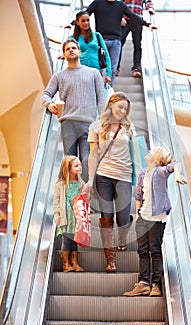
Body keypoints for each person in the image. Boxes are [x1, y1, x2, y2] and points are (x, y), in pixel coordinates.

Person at [123, 147, 187, 297]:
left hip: (157, 218)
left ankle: (156, 285)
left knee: (155, 250)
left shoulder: (160, 172)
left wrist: (177, 176)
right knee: (142, 250)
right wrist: (138, 214)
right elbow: (138, 196)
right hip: (143, 217)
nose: (150, 151)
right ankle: (144, 283)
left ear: (158, 160)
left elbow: (175, 165)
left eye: (154, 151)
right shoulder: (142, 174)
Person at [41, 38, 106, 182]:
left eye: (73, 48)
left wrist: (102, 121)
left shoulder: (94, 73)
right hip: (68, 124)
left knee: (86, 161)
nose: (71, 50)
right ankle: (72, 198)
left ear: (79, 51)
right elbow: (46, 94)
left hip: (89, 124)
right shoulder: (59, 76)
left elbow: (102, 99)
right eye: (67, 49)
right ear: (64, 54)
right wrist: (48, 103)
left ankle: (86, 197)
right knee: (70, 163)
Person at [84, 92, 136, 272]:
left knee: (123, 217)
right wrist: (90, 179)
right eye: (120, 107)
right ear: (111, 104)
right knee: (106, 217)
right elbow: (93, 155)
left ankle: (122, 237)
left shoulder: (129, 127)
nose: (122, 111)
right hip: (103, 175)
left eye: (125, 109)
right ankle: (110, 260)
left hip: (124, 176)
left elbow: (136, 153)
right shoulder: (97, 127)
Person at [85, 0, 157, 86]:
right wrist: (73, 23)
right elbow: (85, 14)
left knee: (136, 45)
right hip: (109, 34)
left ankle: (110, 90)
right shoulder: (99, 3)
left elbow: (135, 13)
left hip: (124, 32)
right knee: (99, 67)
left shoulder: (120, 5)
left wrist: (148, 22)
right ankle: (101, 86)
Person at [53, 155, 86, 273]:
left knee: (75, 240)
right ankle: (66, 264)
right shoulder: (60, 185)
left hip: (76, 217)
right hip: (66, 217)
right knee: (66, 240)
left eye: (80, 165)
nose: (80, 167)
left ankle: (75, 263)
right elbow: (56, 201)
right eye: (76, 166)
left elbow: (84, 199)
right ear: (68, 169)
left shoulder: (81, 184)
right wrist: (57, 215)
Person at [116, 0, 156, 78]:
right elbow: (118, 4)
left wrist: (150, 8)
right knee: (118, 43)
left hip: (138, 20)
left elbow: (148, 1)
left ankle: (136, 69)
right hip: (125, 20)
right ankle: (115, 68)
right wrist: (120, 17)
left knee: (137, 44)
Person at [71, 11, 111, 85]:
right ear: (77, 22)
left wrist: (108, 74)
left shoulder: (97, 36)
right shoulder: (72, 38)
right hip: (79, 72)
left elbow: (106, 55)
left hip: (95, 71)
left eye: (88, 20)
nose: (86, 23)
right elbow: (68, 52)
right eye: (83, 21)